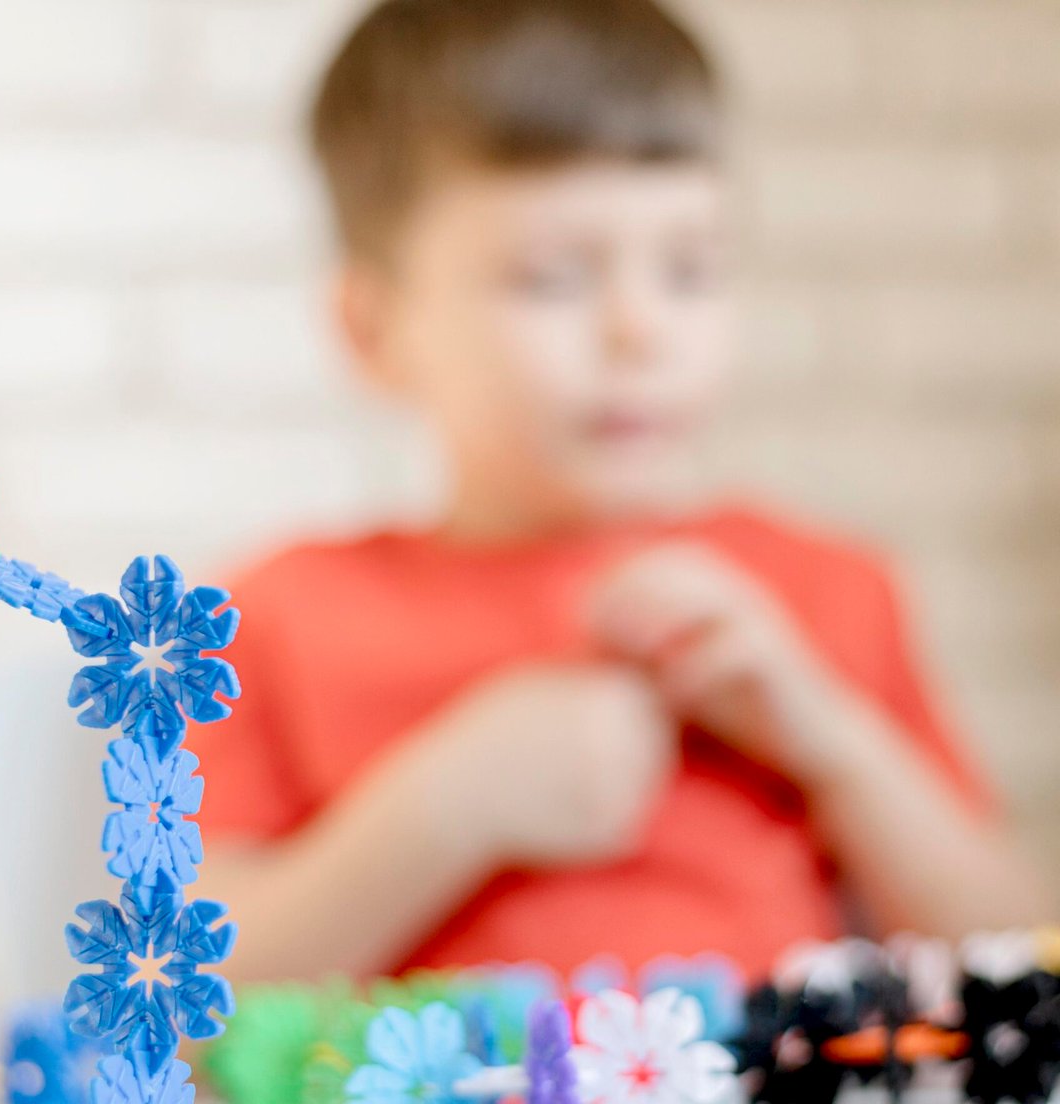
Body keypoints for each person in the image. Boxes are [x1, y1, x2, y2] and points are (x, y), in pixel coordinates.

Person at [186, 0, 1053, 984]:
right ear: (373, 331)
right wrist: (446, 808)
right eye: (553, 279)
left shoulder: (825, 597)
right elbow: (186, 999)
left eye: (690, 271)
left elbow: (1021, 962)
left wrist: (834, 745)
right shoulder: (275, 618)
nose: (641, 330)